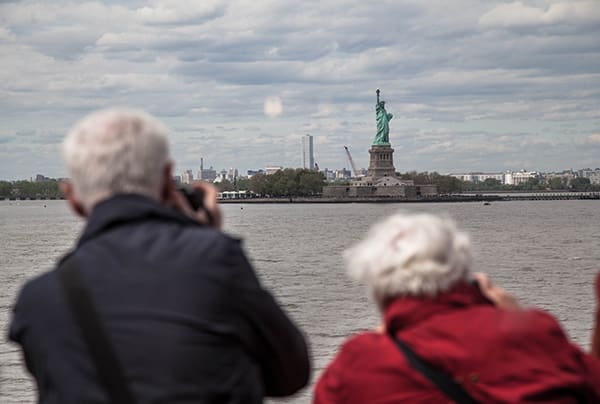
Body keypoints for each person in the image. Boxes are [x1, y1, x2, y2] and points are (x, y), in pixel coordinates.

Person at [8, 108, 310, 403]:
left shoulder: (37, 301)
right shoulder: (215, 259)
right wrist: (206, 237)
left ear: (72, 198)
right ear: (167, 179)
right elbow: (291, 375)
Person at [314, 212, 600, 403]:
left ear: (377, 289)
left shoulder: (361, 362)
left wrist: (381, 338)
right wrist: (517, 318)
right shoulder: (536, 333)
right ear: (461, 269)